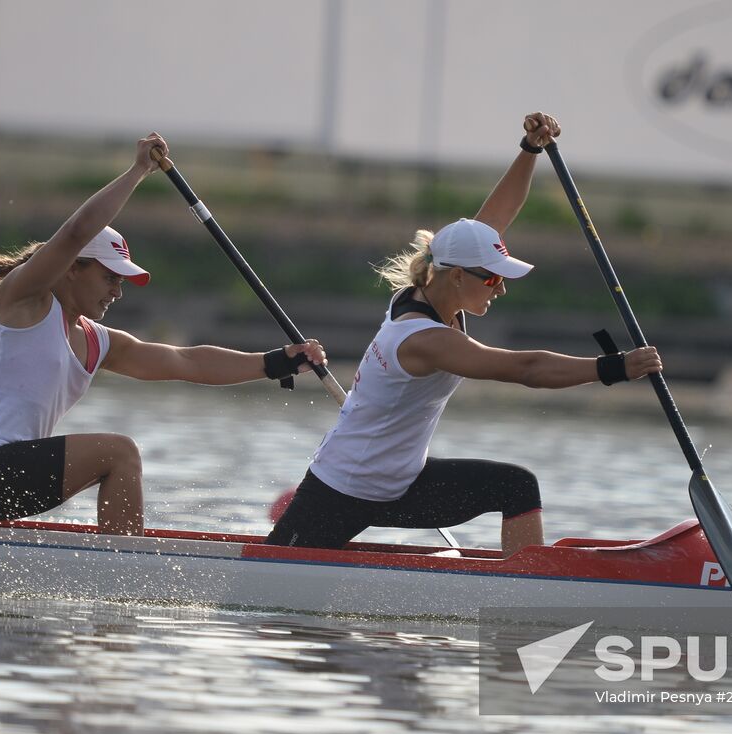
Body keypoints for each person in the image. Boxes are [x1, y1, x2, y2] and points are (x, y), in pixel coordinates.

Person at [266, 113, 662, 556]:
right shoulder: (426, 340)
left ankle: (523, 593)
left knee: (516, 487)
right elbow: (524, 368)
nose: (501, 287)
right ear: (456, 276)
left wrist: (529, 150)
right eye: (492, 278)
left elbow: (493, 221)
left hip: (400, 482)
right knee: (266, 589)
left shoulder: (431, 288)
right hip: (344, 487)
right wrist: (614, 368)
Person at [0, 133, 326, 537]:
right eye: (109, 278)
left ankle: (112, 567)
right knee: (118, 453)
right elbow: (77, 231)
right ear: (72, 267)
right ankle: (124, 577)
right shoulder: (24, 300)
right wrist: (138, 171)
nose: (117, 292)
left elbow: (186, 361)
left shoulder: (97, 341)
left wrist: (275, 362)